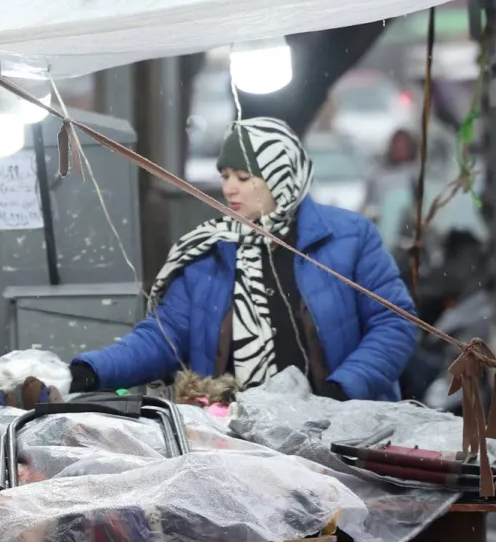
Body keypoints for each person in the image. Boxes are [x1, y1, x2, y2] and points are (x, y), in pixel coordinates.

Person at [71, 118, 416, 401]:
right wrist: (91, 370)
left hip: (344, 432)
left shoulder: (349, 237)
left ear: (280, 175)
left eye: (243, 177)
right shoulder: (210, 249)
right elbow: (162, 337)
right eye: (224, 177)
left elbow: (394, 325)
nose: (229, 189)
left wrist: (343, 389)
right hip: (241, 439)